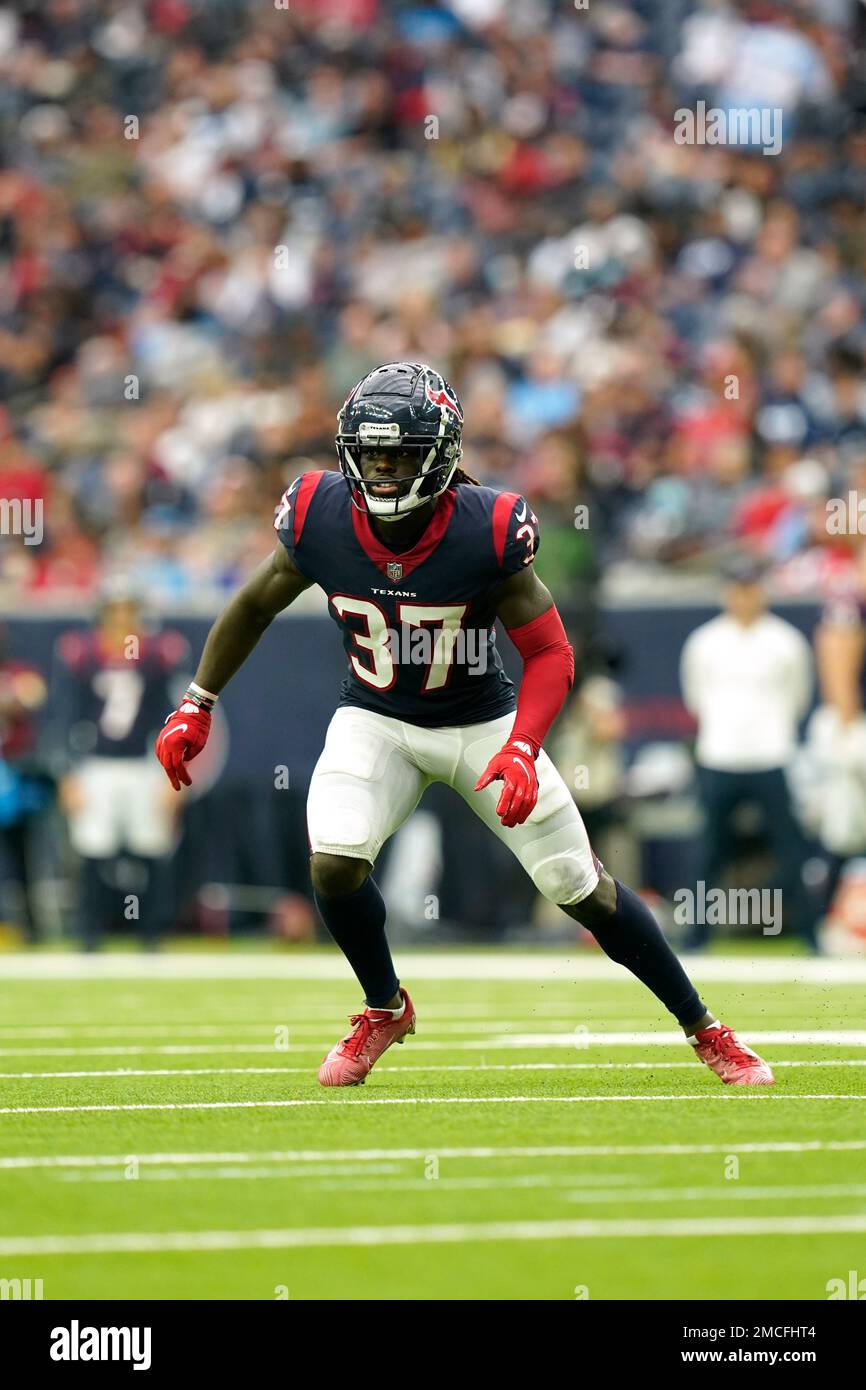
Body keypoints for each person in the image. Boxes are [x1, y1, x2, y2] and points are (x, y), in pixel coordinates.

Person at [156, 362, 774, 1086]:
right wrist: (198, 700)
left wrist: (522, 746)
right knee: (333, 859)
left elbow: (550, 650)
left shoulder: (487, 528)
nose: (383, 471)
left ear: (442, 454)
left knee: (581, 887)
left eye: (400, 455)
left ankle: (706, 1027)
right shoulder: (318, 514)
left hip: (483, 723)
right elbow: (255, 603)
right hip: (377, 718)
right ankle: (384, 1006)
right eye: (371, 454)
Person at [680, 555, 816, 950]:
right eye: (738, 589)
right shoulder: (705, 642)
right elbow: (697, 698)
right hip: (719, 756)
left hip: (771, 754)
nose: (744, 597)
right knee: (709, 849)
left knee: (790, 849)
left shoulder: (785, 641)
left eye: (751, 588)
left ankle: (810, 933)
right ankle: (695, 937)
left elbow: (797, 697)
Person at [56, 586, 187, 949]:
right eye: (115, 611)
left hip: (143, 764)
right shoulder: (82, 654)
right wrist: (68, 772)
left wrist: (169, 774)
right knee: (93, 848)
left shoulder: (157, 655)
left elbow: (169, 718)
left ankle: (151, 934)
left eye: (128, 611)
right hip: (96, 765)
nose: (122, 620)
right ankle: (90, 934)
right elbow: (67, 716)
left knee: (151, 847)